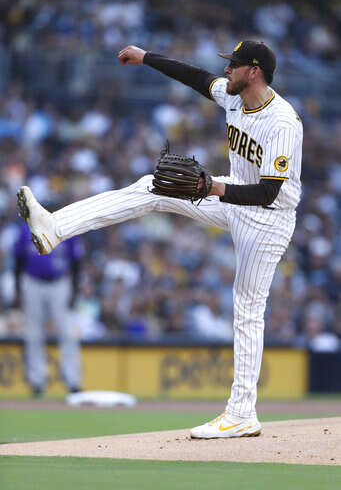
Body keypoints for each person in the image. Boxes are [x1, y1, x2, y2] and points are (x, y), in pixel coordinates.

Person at [16, 40, 302, 436]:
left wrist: (213, 187)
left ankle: (242, 413)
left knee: (247, 309)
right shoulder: (233, 96)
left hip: (269, 219)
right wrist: (146, 58)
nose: (226, 71)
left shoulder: (283, 122)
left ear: (254, 72)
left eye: (234, 65)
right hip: (233, 196)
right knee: (153, 187)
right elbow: (196, 77)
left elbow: (269, 191)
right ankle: (55, 227)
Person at [13, 220, 84, 396]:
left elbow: (76, 262)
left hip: (59, 282)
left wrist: (74, 290)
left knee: (67, 333)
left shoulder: (65, 227)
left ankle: (73, 381)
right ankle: (37, 381)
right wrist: (17, 289)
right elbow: (18, 259)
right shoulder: (26, 230)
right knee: (33, 334)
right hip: (33, 282)